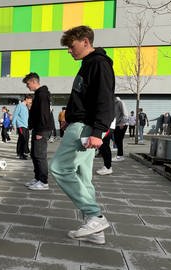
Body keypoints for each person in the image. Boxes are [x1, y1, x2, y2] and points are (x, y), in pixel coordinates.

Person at [51, 26, 114, 244]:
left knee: (59, 168)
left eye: (71, 46)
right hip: (81, 124)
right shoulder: (89, 64)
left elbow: (105, 100)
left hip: (84, 127)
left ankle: (95, 215)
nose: (69, 51)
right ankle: (96, 232)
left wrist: (98, 131)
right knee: (84, 177)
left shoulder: (99, 64)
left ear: (85, 41)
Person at [22, 73, 52, 190]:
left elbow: (44, 115)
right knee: (35, 154)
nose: (27, 86)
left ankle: (44, 182)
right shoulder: (38, 94)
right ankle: (37, 178)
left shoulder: (42, 95)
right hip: (37, 129)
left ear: (34, 82)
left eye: (28, 84)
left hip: (41, 130)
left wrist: (40, 132)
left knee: (40, 155)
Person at [12, 95, 32, 160]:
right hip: (21, 125)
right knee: (22, 139)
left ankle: (22, 152)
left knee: (26, 139)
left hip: (26, 126)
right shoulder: (19, 106)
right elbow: (15, 115)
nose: (31, 101)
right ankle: (20, 154)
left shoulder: (26, 107)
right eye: (30, 100)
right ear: (26, 99)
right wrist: (13, 124)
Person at [112, 97, 128, 162]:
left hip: (122, 124)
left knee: (119, 140)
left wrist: (122, 122)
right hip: (117, 124)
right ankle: (119, 155)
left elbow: (125, 113)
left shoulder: (120, 102)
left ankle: (120, 156)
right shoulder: (114, 104)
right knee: (116, 140)